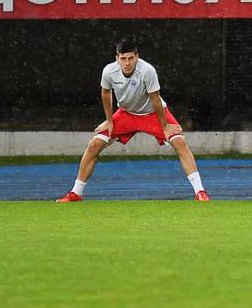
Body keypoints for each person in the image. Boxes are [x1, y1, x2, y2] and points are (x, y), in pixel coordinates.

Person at [57, 40, 210, 202]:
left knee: (180, 142)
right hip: (126, 114)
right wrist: (109, 121)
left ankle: (200, 192)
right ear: (117, 58)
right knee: (94, 144)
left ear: (137, 57)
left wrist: (165, 127)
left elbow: (156, 99)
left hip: (153, 114)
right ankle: (76, 193)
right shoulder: (109, 71)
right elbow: (106, 94)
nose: (127, 63)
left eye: (131, 58)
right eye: (123, 59)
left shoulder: (147, 71)